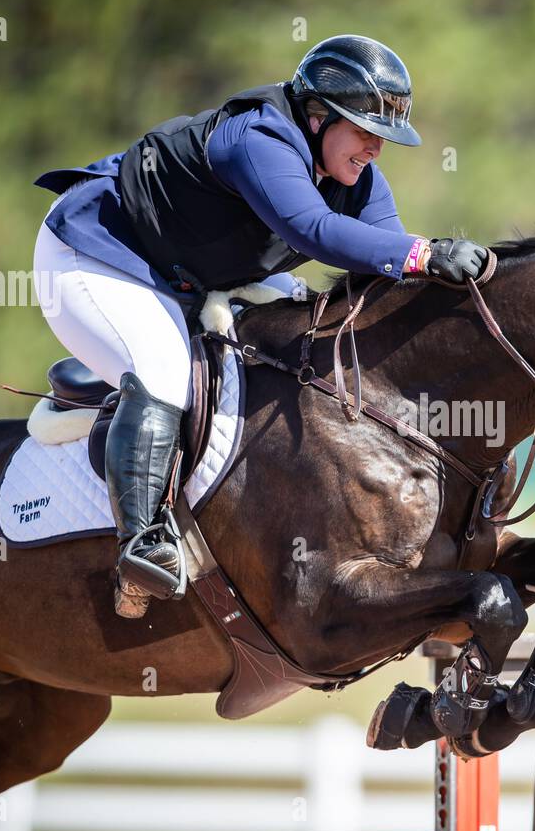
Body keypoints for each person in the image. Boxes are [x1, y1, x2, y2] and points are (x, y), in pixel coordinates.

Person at [31, 35, 491, 617]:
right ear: (318, 116)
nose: (376, 147)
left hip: (193, 274)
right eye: (364, 130)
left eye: (384, 136)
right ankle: (141, 547)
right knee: (164, 369)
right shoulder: (257, 139)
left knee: (304, 328)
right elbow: (315, 234)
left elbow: (386, 266)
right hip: (97, 252)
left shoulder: (356, 178)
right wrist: (426, 254)